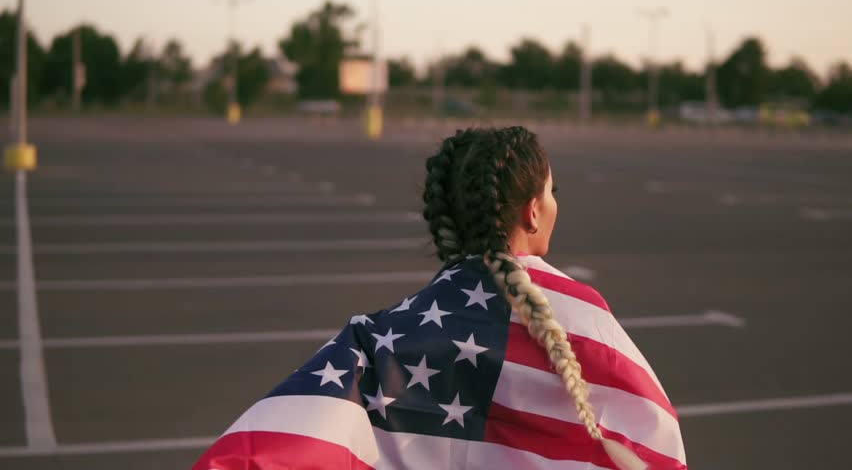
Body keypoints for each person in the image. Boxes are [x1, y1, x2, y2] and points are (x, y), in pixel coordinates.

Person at [192, 127, 686, 470]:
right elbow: (656, 443)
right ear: (533, 212)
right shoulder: (587, 324)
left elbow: (279, 446)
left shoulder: (378, 341)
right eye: (553, 191)